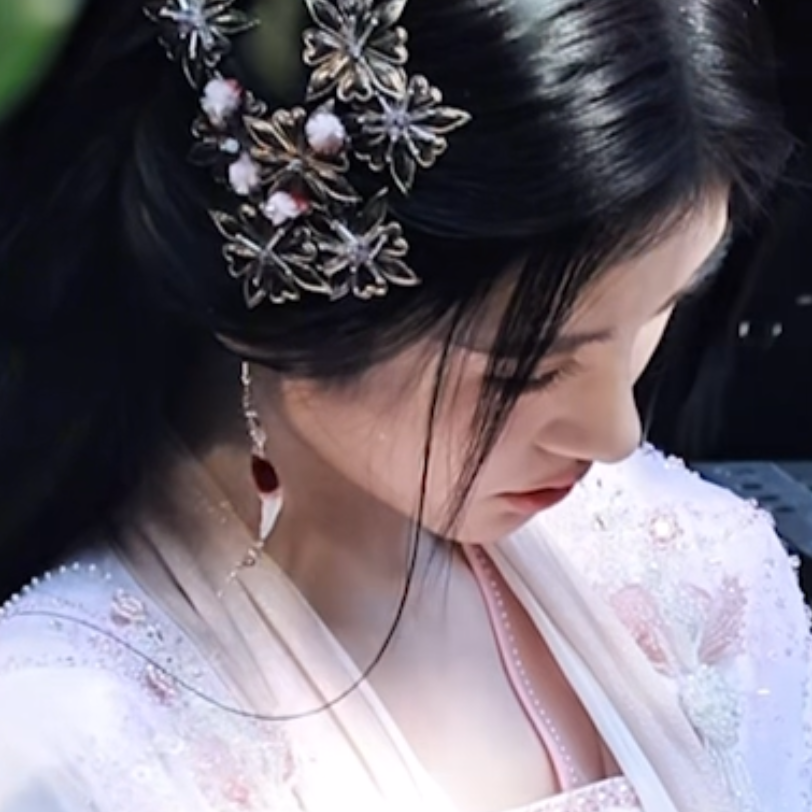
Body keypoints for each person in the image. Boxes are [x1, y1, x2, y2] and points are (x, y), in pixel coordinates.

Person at [0, 0, 809, 810]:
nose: (615, 433)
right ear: (288, 291)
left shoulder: (698, 576)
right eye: (525, 369)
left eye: (662, 306)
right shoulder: (77, 744)